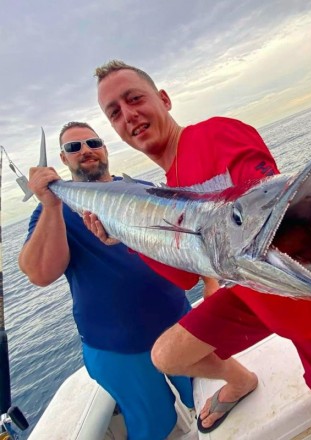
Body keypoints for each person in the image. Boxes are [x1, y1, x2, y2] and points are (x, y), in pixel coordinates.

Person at [92, 60, 311, 439]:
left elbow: (270, 207)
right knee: (167, 356)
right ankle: (240, 379)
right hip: (252, 294)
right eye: (115, 112)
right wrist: (129, 237)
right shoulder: (168, 186)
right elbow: (184, 276)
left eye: (135, 99)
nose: (129, 115)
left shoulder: (217, 134)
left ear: (164, 99)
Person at [18, 121, 195, 440]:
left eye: (92, 142)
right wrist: (50, 204)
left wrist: (209, 286)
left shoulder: (139, 188)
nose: (85, 150)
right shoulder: (54, 213)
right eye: (74, 148)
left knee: (207, 395)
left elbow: (184, 240)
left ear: (104, 148)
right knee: (155, 426)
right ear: (63, 159)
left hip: (179, 322)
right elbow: (40, 273)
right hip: (117, 347)